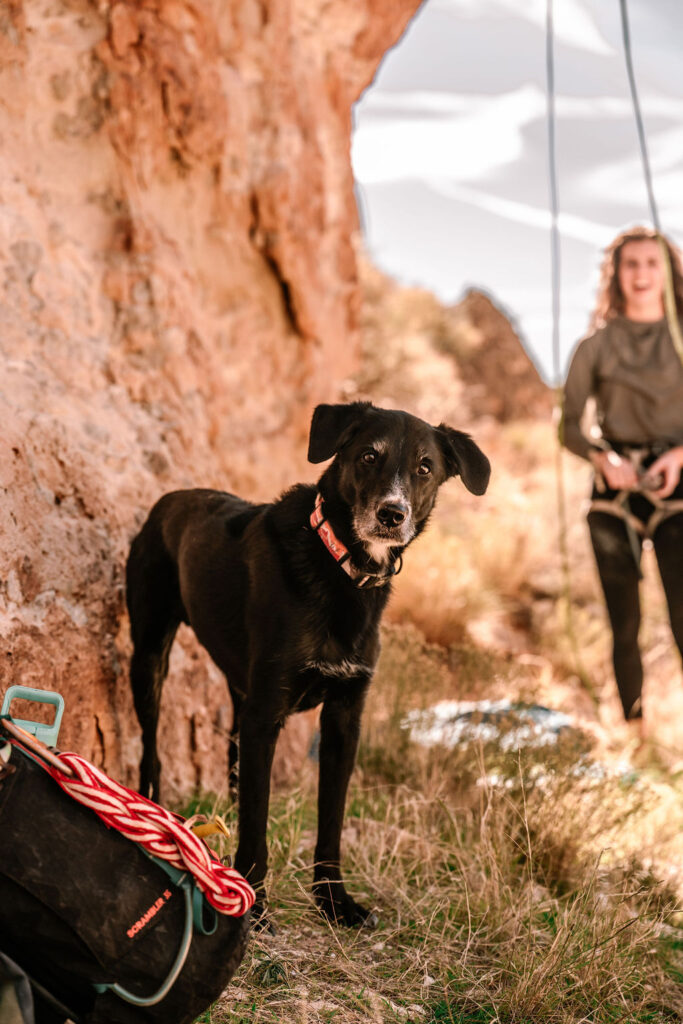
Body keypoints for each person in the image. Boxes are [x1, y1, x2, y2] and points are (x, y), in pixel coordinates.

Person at [562, 226, 683, 746]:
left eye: (650, 263)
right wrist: (601, 456)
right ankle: (636, 741)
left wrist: (681, 454)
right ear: (616, 275)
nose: (640, 274)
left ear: (667, 271)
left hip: (677, 491)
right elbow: (567, 426)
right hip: (613, 497)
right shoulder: (595, 346)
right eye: (630, 264)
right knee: (625, 625)